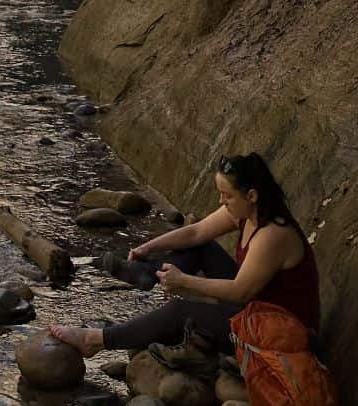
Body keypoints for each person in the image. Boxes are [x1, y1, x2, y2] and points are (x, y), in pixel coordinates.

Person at [49, 153, 320, 360]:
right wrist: (148, 248)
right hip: (258, 307)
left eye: (226, 196)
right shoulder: (247, 211)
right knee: (202, 247)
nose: (221, 202)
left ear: (251, 195)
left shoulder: (272, 234)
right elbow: (196, 233)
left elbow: (239, 291)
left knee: (178, 312)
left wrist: (184, 282)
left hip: (281, 335)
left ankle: (95, 340)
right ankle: (147, 272)